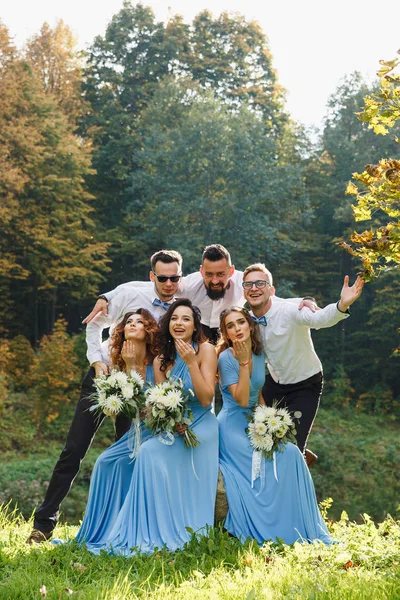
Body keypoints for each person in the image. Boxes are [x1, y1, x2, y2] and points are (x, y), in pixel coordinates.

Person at [27, 250, 182, 543]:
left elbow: (228, 282)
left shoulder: (182, 301)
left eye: (175, 277)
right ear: (152, 276)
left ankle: (122, 524)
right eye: (163, 278)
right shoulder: (129, 292)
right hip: (104, 376)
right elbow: (96, 324)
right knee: (74, 449)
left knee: (130, 452)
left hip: (138, 383)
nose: (170, 283)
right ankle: (43, 523)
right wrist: (96, 360)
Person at [77, 299, 219, 555]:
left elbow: (206, 398)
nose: (179, 323)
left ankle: (146, 528)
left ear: (195, 325)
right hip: (171, 425)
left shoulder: (206, 350)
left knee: (149, 453)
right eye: (175, 318)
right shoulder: (162, 360)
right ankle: (106, 530)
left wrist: (190, 362)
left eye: (186, 319)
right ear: (168, 324)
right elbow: (152, 405)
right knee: (105, 462)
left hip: (200, 426)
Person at [217, 306, 332, 545]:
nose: (237, 328)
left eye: (241, 322)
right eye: (230, 326)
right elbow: (240, 398)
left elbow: (258, 393)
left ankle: (300, 523)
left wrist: (268, 420)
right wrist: (243, 363)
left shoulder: (259, 354)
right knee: (261, 462)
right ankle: (265, 524)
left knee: (291, 453)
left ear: (250, 326)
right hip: (231, 427)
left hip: (254, 422)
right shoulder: (226, 358)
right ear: (226, 333)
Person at [242, 263, 364, 456]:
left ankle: (300, 459)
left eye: (260, 283)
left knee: (291, 448)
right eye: (248, 285)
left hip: (306, 384)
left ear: (271, 290)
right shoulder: (245, 320)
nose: (254, 288)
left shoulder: (290, 311)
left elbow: (321, 319)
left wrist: (343, 304)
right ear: (244, 291)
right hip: (275, 383)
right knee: (256, 435)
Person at [75, 309, 158, 547]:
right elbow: (126, 413)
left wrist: (134, 366)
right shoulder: (117, 366)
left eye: (139, 322)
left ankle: (133, 524)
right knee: (104, 462)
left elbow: (148, 407)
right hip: (134, 432)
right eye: (128, 322)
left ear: (149, 330)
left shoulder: (159, 361)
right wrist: (127, 367)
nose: (132, 324)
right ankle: (105, 527)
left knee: (139, 460)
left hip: (156, 431)